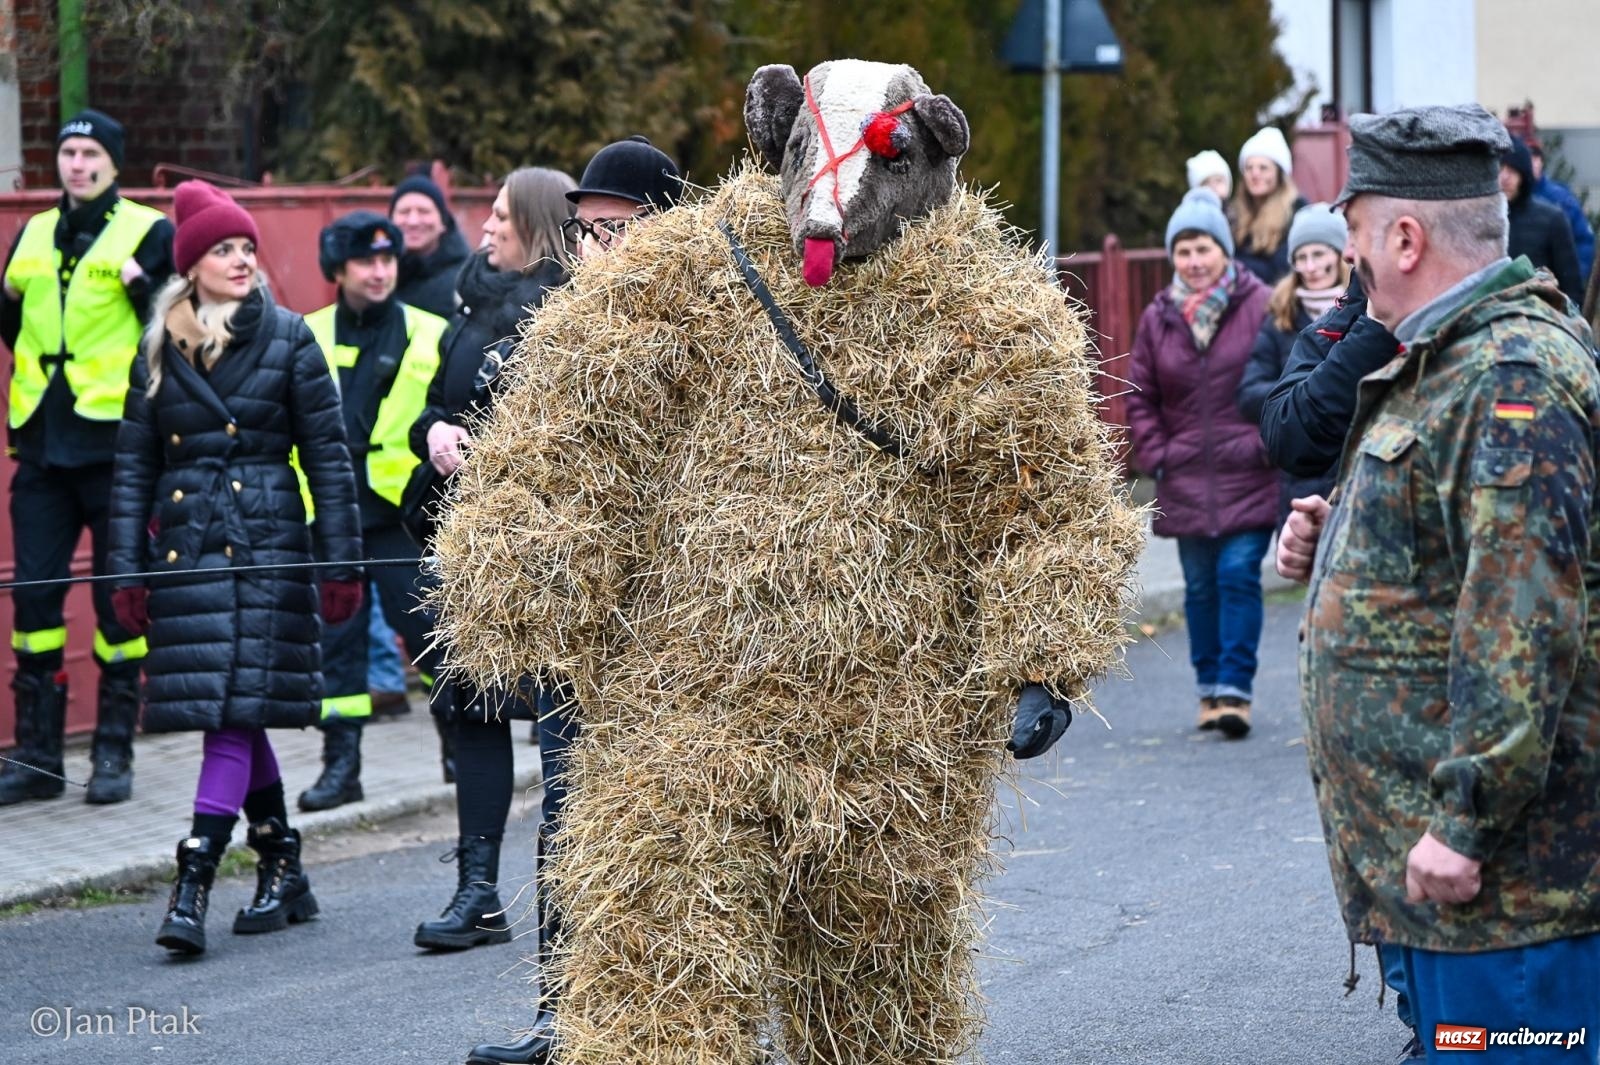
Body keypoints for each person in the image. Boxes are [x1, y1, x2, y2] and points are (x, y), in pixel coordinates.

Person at [1282, 104, 1600, 1063]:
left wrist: (1463, 822)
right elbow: (1469, 542)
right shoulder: (1448, 360)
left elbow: (1522, 616)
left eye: (1356, 238)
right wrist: (1351, 535)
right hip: (1456, 906)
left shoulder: (1512, 372)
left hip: (1508, 903)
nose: (1351, 265)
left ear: (1406, 237)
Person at [452, 137, 679, 1065]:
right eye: (588, 233)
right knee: (565, 810)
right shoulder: (554, 331)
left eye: (618, 232)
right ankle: (560, 1016)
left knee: (667, 830)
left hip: (670, 630)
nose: (598, 250)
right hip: (580, 624)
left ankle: (670, 1018)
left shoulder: (702, 336)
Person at [104, 181, 362, 955]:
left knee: (229, 716)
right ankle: (284, 865)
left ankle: (193, 882)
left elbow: (329, 456)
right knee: (235, 710)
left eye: (247, 246)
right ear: (191, 266)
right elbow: (132, 470)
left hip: (267, 545)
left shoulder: (288, 338)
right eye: (224, 249)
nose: (243, 258)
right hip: (186, 552)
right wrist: (127, 571)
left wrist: (340, 562)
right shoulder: (157, 348)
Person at [408, 166, 574, 956]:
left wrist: (495, 455)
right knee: (463, 704)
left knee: (554, 719)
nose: (484, 229)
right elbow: (435, 409)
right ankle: (478, 892)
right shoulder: (470, 300)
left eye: (501, 217)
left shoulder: (568, 309)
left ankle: (570, 909)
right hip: (458, 531)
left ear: (537, 225)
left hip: (532, 544)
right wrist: (435, 435)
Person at [0, 109, 174, 807]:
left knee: (116, 601)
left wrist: (140, 286)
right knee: (35, 597)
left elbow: (172, 322)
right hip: (42, 441)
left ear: (113, 162)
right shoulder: (34, 233)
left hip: (114, 446)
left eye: (90, 152)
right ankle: (39, 758)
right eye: (68, 152)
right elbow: (13, 319)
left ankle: (111, 750)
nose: (77, 163)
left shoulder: (147, 231)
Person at [296, 212, 449, 812]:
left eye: (387, 260)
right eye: (365, 261)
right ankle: (342, 769)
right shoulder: (305, 332)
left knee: (432, 638)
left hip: (402, 516)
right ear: (338, 269)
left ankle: (458, 749)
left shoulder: (431, 331)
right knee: (338, 647)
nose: (380, 271)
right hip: (331, 514)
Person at [1126, 187, 1275, 738]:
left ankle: (1235, 689)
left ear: (1225, 251)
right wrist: (1157, 451)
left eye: (1204, 249)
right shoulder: (1157, 317)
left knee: (1238, 575)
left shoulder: (1261, 303)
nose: (1193, 260)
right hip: (1185, 474)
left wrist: (1267, 441)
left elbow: (1285, 374)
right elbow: (1137, 393)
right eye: (1184, 250)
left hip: (1250, 468)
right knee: (1200, 587)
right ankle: (1209, 688)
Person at [1236, 203, 1351, 523]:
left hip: (1351, 470)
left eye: (1319, 254)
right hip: (1300, 479)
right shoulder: (1280, 317)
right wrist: (1304, 396)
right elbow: (1249, 392)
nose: (1311, 266)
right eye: (1301, 257)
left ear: (1339, 255)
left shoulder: (1366, 311)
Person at [1500, 134, 1584, 303]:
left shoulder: (1552, 220)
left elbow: (1571, 286)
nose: (1504, 177)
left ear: (1523, 175)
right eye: (1499, 169)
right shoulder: (1482, 221)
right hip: (1489, 318)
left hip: (1540, 320)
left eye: (1512, 170)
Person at [1231, 125, 1306, 284]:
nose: (1255, 174)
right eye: (1249, 168)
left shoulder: (1296, 210)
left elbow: (1280, 271)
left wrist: (1231, 265)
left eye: (1263, 168)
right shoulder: (1236, 213)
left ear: (1279, 174)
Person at [391, 172, 472, 318]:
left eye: (424, 211)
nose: (413, 221)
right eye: (404, 212)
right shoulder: (378, 273)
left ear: (443, 223)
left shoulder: (465, 279)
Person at [1529, 142, 1595, 282]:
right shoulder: (1508, 199)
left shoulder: (1561, 198)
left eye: (1535, 158)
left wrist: (1576, 276)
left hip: (1558, 282)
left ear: (1541, 162)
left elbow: (1583, 239)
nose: (1531, 164)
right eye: (1528, 158)